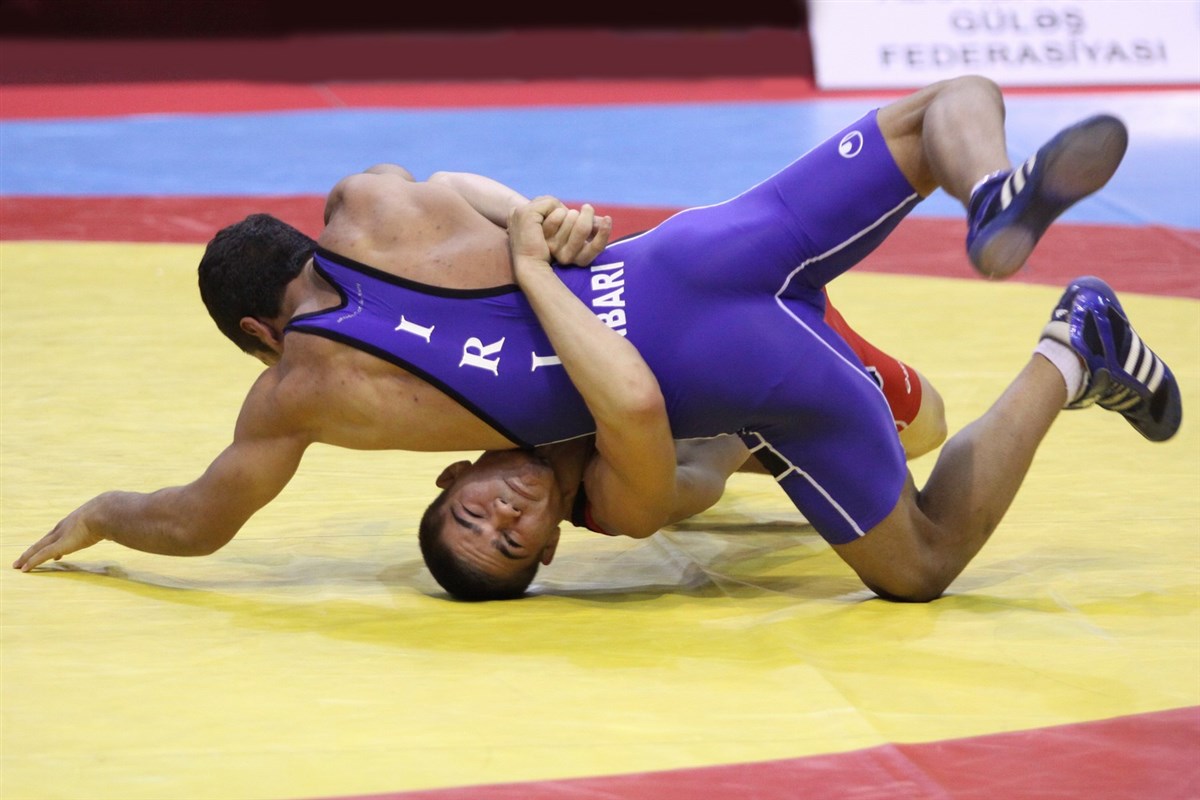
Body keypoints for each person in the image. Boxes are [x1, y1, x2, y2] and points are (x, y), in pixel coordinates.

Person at [14, 77, 1179, 604]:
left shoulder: (296, 390)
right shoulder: (375, 197)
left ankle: (1071, 343)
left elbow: (201, 519)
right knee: (948, 101)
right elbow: (485, 195)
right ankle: (991, 196)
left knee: (916, 560)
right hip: (686, 258)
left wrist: (107, 512)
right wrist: (542, 223)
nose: (501, 519)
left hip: (725, 370)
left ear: (258, 333)